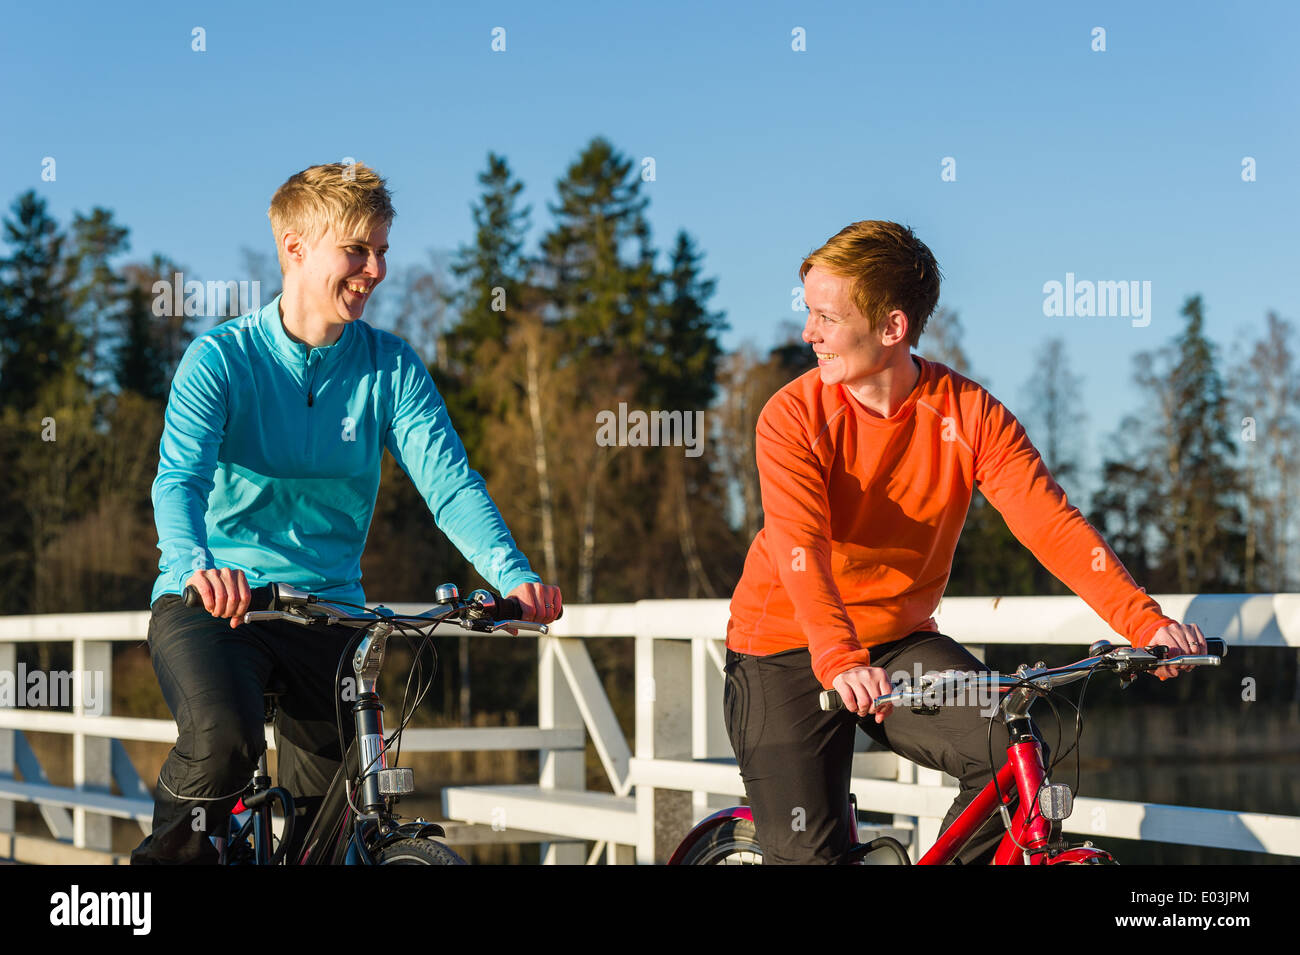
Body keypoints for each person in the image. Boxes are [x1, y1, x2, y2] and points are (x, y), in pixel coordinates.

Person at [723, 220, 1207, 865]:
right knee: (809, 855)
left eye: (825, 317)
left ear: (892, 328)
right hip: (784, 649)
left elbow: (1050, 523)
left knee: (1023, 759)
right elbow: (799, 547)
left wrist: (1142, 619)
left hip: (898, 643)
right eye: (809, 312)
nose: (807, 332)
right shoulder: (793, 416)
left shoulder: (968, 412)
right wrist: (838, 657)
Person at [131, 163, 562, 864]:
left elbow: (448, 483)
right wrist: (195, 565)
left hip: (329, 612)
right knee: (223, 738)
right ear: (295, 247)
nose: (375, 269)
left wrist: (514, 576)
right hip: (217, 603)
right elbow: (180, 479)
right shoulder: (220, 359)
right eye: (357, 249)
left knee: (332, 818)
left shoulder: (390, 367)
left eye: (384, 250)